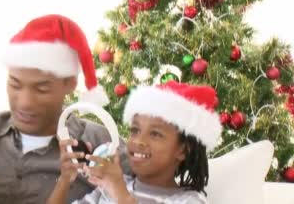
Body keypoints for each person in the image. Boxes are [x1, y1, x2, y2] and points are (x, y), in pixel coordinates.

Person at [0, 14, 129, 203]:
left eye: (41, 89)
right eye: (15, 85)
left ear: (70, 84)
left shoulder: (104, 143)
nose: (25, 102)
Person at [48, 81, 221, 204]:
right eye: (135, 130)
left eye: (155, 134)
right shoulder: (109, 186)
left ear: (183, 150)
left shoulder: (188, 201)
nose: (138, 141)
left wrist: (120, 194)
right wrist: (65, 180)